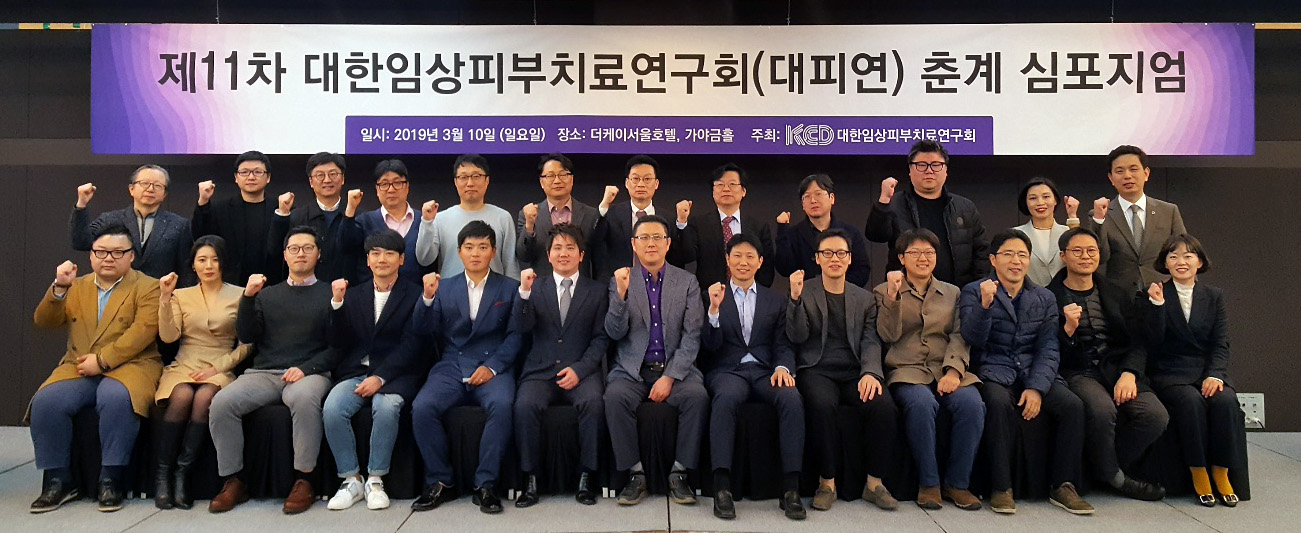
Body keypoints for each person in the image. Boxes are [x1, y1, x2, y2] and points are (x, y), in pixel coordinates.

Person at [29, 224, 162, 513]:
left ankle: (110, 479)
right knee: (46, 401)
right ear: (90, 255)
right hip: (78, 365)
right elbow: (44, 321)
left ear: (131, 256)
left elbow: (142, 332)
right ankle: (58, 480)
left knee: (115, 397)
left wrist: (101, 361)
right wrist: (59, 287)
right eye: (101, 252)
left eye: (117, 252)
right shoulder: (75, 286)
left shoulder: (148, 286)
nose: (108, 258)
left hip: (132, 364)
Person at [958, 230, 1092, 515]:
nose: (1015, 261)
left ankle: (1063, 485)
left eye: (1022, 255)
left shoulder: (1044, 296)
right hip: (994, 369)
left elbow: (1049, 347)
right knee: (996, 403)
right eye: (1008, 254)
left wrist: (1036, 387)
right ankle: (1001, 487)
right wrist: (984, 306)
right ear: (993, 259)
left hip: (1033, 370)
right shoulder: (974, 290)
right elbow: (972, 339)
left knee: (1073, 406)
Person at [208, 226, 338, 514]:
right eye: (294, 249)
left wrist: (306, 368)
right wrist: (248, 297)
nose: (301, 254)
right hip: (265, 373)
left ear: (318, 254)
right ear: (285, 255)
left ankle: (305, 479)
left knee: (304, 399)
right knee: (222, 403)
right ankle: (233, 480)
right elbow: (248, 335)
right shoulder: (266, 295)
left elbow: (338, 346)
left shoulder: (331, 293)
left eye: (308, 248)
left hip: (310, 372)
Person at [1046, 227, 1169, 501]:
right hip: (1078, 371)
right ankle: (1117, 479)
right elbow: (1048, 351)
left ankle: (1101, 470)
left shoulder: (1116, 292)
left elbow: (1138, 340)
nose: (1085, 256)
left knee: (1155, 415)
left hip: (1117, 368)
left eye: (1091, 250)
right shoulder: (1048, 296)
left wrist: (1130, 373)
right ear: (1063, 256)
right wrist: (1067, 331)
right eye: (1077, 251)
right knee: (1102, 411)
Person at [410, 220, 523, 515]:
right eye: (469, 247)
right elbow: (422, 330)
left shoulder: (510, 288)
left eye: (483, 247)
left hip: (493, 365)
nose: (475, 253)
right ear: (459, 251)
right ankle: (440, 481)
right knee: (422, 407)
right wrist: (427, 298)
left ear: (493, 251)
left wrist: (493, 367)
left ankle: (486, 485)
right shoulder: (444, 287)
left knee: (502, 405)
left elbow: (516, 335)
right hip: (451, 363)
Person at [873, 228, 984, 511]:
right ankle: (929, 482)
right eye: (915, 252)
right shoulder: (883, 291)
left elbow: (960, 334)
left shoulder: (953, 292)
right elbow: (887, 335)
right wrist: (893, 297)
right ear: (901, 258)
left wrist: (954, 371)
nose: (923, 258)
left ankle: (957, 484)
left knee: (972, 404)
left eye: (929, 252)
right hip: (906, 369)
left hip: (945, 366)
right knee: (922, 404)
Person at [787, 229, 897, 513]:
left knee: (882, 405)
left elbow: (871, 339)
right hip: (817, 369)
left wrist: (870, 372)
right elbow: (797, 336)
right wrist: (795, 299)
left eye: (840, 253)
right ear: (817, 258)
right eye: (827, 253)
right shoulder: (805, 290)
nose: (834, 258)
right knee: (822, 406)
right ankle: (827, 482)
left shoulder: (864, 298)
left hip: (854, 370)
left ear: (849, 259)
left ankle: (874, 483)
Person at [603, 215, 708, 507]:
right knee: (614, 397)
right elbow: (614, 332)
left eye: (657, 237)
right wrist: (620, 295)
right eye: (644, 238)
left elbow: (692, 335)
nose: (651, 243)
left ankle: (679, 472)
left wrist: (670, 377)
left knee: (697, 397)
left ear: (668, 243)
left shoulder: (687, 282)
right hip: (632, 369)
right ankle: (636, 474)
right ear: (634, 244)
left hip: (675, 368)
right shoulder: (622, 279)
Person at [703, 233, 805, 520]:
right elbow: (709, 346)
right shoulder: (714, 295)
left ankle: (791, 488)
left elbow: (784, 343)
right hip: (727, 370)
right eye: (737, 256)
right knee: (725, 399)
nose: (743, 262)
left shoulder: (775, 299)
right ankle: (722, 487)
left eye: (750, 257)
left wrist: (783, 367)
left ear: (760, 262)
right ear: (727, 260)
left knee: (791, 398)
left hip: (764, 371)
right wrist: (713, 311)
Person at [323, 230, 426, 511]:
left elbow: (414, 344)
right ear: (367, 260)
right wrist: (336, 305)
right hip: (358, 371)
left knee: (387, 407)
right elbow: (338, 341)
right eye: (376, 254)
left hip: (398, 374)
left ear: (401, 259)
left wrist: (381, 377)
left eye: (390, 254)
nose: (382, 259)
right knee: (333, 407)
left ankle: (376, 479)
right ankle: (351, 479)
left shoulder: (415, 294)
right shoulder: (354, 294)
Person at [512, 223, 610, 508]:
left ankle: (586, 477)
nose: (563, 253)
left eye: (570, 248)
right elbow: (521, 328)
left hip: (581, 370)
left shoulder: (597, 291)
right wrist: (524, 294)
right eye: (557, 248)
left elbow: (601, 338)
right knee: (524, 406)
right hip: (540, 370)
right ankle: (530, 479)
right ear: (548, 254)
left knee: (593, 404)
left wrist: (580, 369)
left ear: (581, 255)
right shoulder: (534, 287)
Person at [153, 236, 252, 510]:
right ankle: (163, 476)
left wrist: (218, 368)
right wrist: (164, 298)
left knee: (205, 397)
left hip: (220, 364)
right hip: (185, 363)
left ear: (223, 263)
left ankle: (183, 474)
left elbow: (247, 343)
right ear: (193, 265)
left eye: (215, 259)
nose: (209, 266)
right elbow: (169, 336)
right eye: (202, 260)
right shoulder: (180, 295)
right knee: (182, 395)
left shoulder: (241, 294)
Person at [1144, 234, 1240, 507]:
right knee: (1191, 402)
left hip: (1206, 371)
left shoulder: (1214, 296)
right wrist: (1157, 306)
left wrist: (1215, 374)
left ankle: (1221, 472)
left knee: (1225, 401)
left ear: (1200, 262)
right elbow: (1152, 341)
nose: (1181, 262)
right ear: (1165, 263)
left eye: (1188, 256)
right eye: (1173, 256)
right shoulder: (1154, 293)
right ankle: (1198, 472)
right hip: (1170, 372)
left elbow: (1220, 342)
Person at [866, 139, 990, 287]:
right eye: (921, 165)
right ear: (910, 171)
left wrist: (975, 291)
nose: (929, 170)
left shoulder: (965, 207)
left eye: (936, 165)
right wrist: (884, 201)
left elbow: (981, 253)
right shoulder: (895, 203)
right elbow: (876, 235)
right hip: (906, 291)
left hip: (956, 293)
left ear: (946, 171)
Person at [1084, 145, 1188, 294]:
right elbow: (1101, 258)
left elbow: (1184, 252)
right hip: (1119, 296)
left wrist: (1189, 290)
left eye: (1133, 169)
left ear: (1146, 173)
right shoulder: (1100, 214)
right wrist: (1099, 221)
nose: (1127, 176)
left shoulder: (1168, 211)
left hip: (1163, 292)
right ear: (1111, 178)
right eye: (1120, 171)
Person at [70, 165, 194, 281]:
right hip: (117, 291)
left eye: (157, 185)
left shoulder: (179, 225)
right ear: (131, 189)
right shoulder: (110, 219)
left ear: (164, 194)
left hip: (160, 293)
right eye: (144, 183)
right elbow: (81, 242)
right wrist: (81, 204)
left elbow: (185, 269)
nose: (150, 189)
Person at [669, 162, 776, 289]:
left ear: (743, 191)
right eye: (720, 184)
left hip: (749, 295)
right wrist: (682, 222)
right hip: (709, 294)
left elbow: (767, 267)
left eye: (732, 184)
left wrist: (756, 294)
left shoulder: (759, 227)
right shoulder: (699, 224)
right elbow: (687, 256)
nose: (726, 189)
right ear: (713, 192)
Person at [414, 154, 520, 279]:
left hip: (494, 290)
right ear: (455, 182)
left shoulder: (503, 217)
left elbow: (511, 266)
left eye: (476, 176)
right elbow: (424, 259)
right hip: (451, 290)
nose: (470, 183)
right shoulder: (440, 219)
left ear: (487, 181)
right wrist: (427, 223)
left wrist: (514, 291)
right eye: (463, 177)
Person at [270, 152, 365, 285]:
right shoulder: (297, 217)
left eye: (333, 174)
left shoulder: (360, 216)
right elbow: (275, 251)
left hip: (348, 290)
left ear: (342, 179)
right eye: (320, 175)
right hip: (305, 291)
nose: (327, 180)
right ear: (311, 182)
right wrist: (282, 214)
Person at [192, 151, 284, 285]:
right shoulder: (220, 209)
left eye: (258, 172)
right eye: (244, 172)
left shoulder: (280, 208)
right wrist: (203, 200)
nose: (251, 177)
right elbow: (200, 238)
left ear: (268, 177)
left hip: (272, 284)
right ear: (236, 177)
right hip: (230, 285)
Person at [591, 155, 687, 280]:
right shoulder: (611, 214)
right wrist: (604, 206)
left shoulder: (668, 218)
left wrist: (681, 223)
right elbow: (594, 241)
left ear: (656, 184)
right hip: (620, 283)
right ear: (627, 183)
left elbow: (680, 256)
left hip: (658, 284)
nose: (641, 184)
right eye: (635, 179)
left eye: (647, 179)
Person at [775, 174, 871, 287]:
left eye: (818, 194)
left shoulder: (850, 232)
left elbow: (862, 271)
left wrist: (836, 287)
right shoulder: (793, 234)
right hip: (806, 294)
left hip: (843, 294)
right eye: (807, 196)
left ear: (832, 198)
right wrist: (782, 230)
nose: (813, 200)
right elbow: (784, 269)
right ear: (802, 204)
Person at [516, 153, 602, 278]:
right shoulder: (528, 215)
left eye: (563, 175)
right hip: (543, 286)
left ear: (571, 179)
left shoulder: (591, 214)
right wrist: (529, 226)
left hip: (582, 286)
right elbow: (523, 255)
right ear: (541, 182)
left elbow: (599, 258)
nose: (557, 181)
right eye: (550, 176)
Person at [357, 159, 428, 285]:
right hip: (376, 293)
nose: (391, 190)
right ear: (377, 189)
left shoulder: (425, 220)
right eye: (384, 184)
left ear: (407, 186)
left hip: (419, 293)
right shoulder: (364, 222)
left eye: (397, 183)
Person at [1011, 177, 1081, 286]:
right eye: (1033, 198)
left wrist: (1072, 217)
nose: (1040, 202)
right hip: (1029, 294)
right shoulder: (1015, 234)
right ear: (1026, 202)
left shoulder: (1068, 231)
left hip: (1065, 294)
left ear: (1055, 200)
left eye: (1046, 197)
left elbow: (1080, 256)